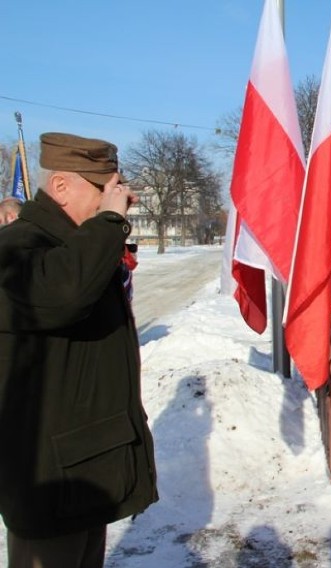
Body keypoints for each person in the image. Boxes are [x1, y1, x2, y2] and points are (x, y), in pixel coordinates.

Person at [0, 132, 158, 568]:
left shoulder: (74, 244)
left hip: (84, 470)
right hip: (49, 481)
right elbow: (63, 295)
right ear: (62, 186)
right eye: (102, 190)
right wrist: (108, 224)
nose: (114, 201)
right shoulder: (17, 247)